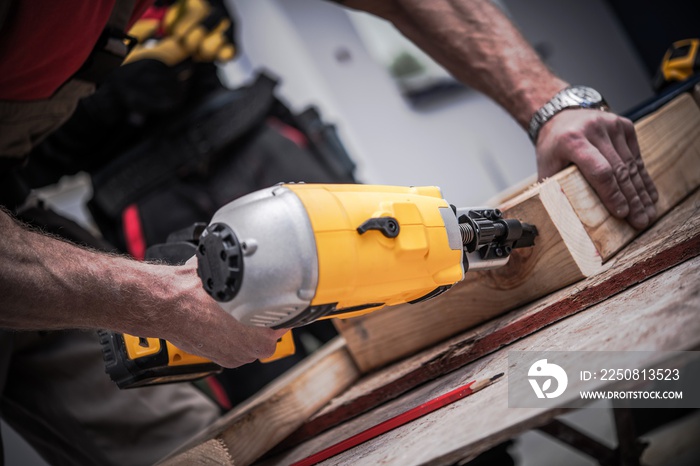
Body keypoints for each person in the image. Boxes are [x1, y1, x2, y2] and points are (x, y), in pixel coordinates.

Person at [0, 0, 658, 464]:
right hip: (106, 195)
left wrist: (547, 104)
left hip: (152, 148)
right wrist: (163, 301)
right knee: (252, 395)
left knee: (203, 449)